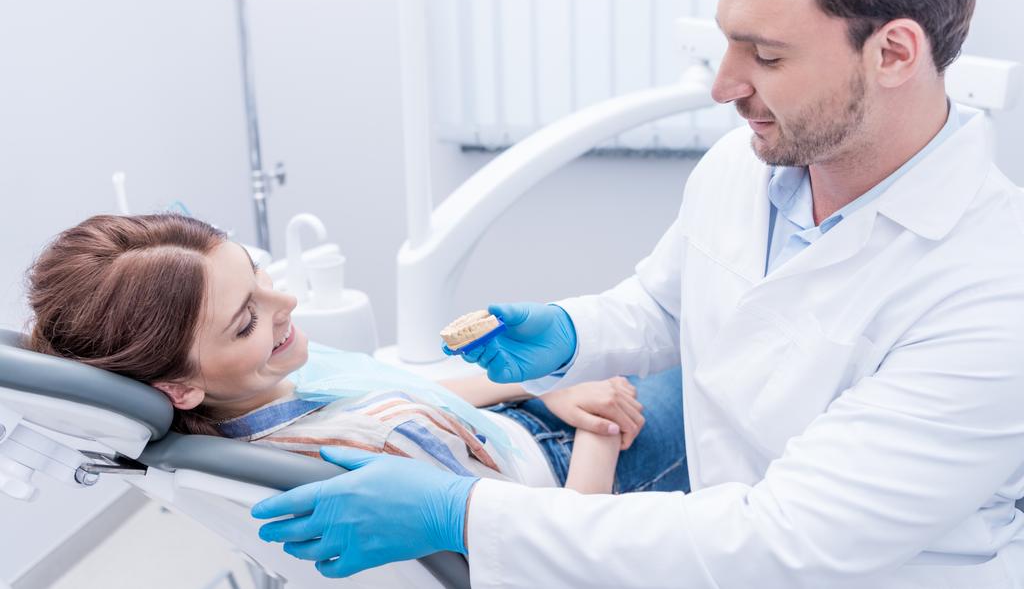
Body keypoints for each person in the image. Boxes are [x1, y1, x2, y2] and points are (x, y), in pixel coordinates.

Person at [251, 0, 1024, 587]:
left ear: (892, 54)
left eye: (767, 56)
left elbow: (783, 541)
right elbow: (664, 302)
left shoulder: (992, 294)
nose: (724, 85)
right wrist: (572, 331)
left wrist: (465, 514)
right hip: (721, 535)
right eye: (729, 44)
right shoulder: (746, 166)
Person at [25, 213, 688, 496]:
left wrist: (543, 387)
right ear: (179, 385)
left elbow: (401, 389)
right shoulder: (373, 446)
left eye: (258, 271)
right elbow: (560, 550)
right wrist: (594, 426)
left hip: (535, 426)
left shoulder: (261, 394)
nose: (283, 299)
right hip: (583, 472)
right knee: (713, 384)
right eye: (246, 319)